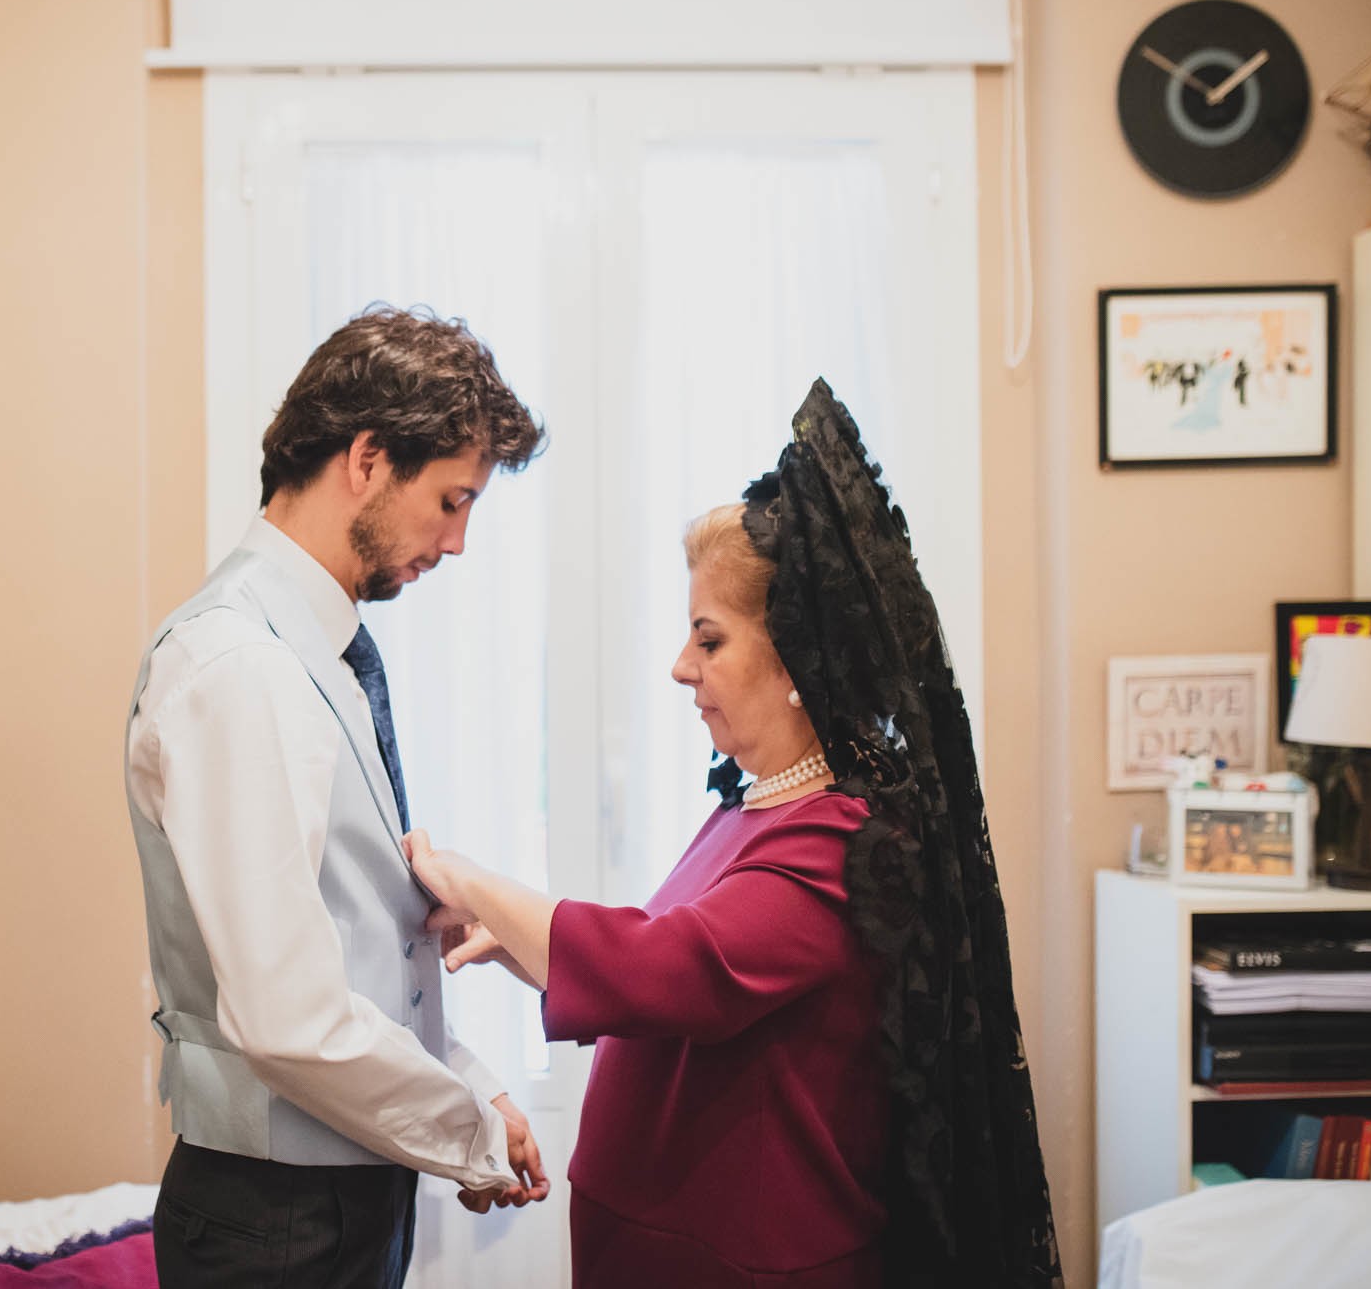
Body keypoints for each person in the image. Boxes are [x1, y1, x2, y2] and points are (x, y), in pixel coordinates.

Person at [408, 380, 1061, 1288]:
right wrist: (515, 942)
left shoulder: (843, 844)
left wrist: (470, 879)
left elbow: (671, 967)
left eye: (708, 640)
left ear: (796, 658)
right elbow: (668, 971)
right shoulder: (756, 806)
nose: (682, 667)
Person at [124, 305, 551, 1288]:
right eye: (450, 500)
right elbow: (289, 1016)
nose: (456, 544)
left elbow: (349, 943)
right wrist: (468, 1132)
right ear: (366, 459)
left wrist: (471, 1084)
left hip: (340, 1194)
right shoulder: (239, 665)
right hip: (275, 1218)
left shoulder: (317, 652)